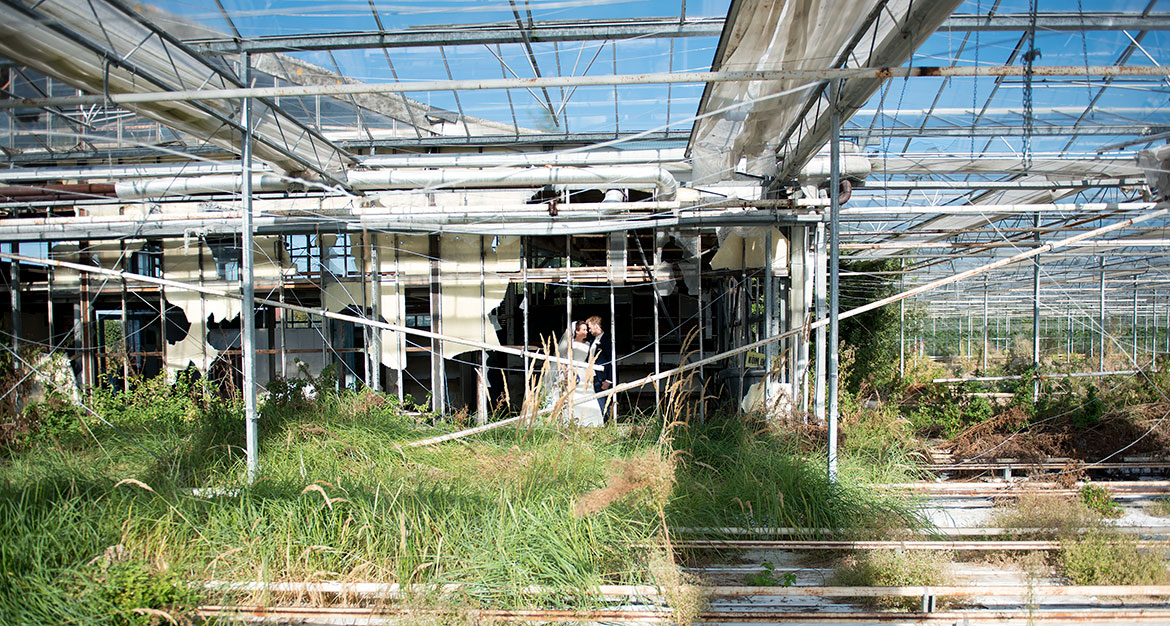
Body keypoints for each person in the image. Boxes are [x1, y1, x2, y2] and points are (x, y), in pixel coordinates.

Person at [567, 321, 603, 427]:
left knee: (587, 394)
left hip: (583, 372)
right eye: (584, 329)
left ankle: (590, 421)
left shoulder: (588, 344)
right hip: (572, 370)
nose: (586, 331)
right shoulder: (570, 344)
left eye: (587, 329)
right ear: (577, 331)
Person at [586, 315, 613, 418]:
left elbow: (611, 360)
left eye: (590, 327)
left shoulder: (607, 340)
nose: (589, 330)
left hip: (602, 377)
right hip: (593, 375)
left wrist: (609, 380)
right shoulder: (593, 341)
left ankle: (605, 422)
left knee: (602, 401)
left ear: (596, 325)